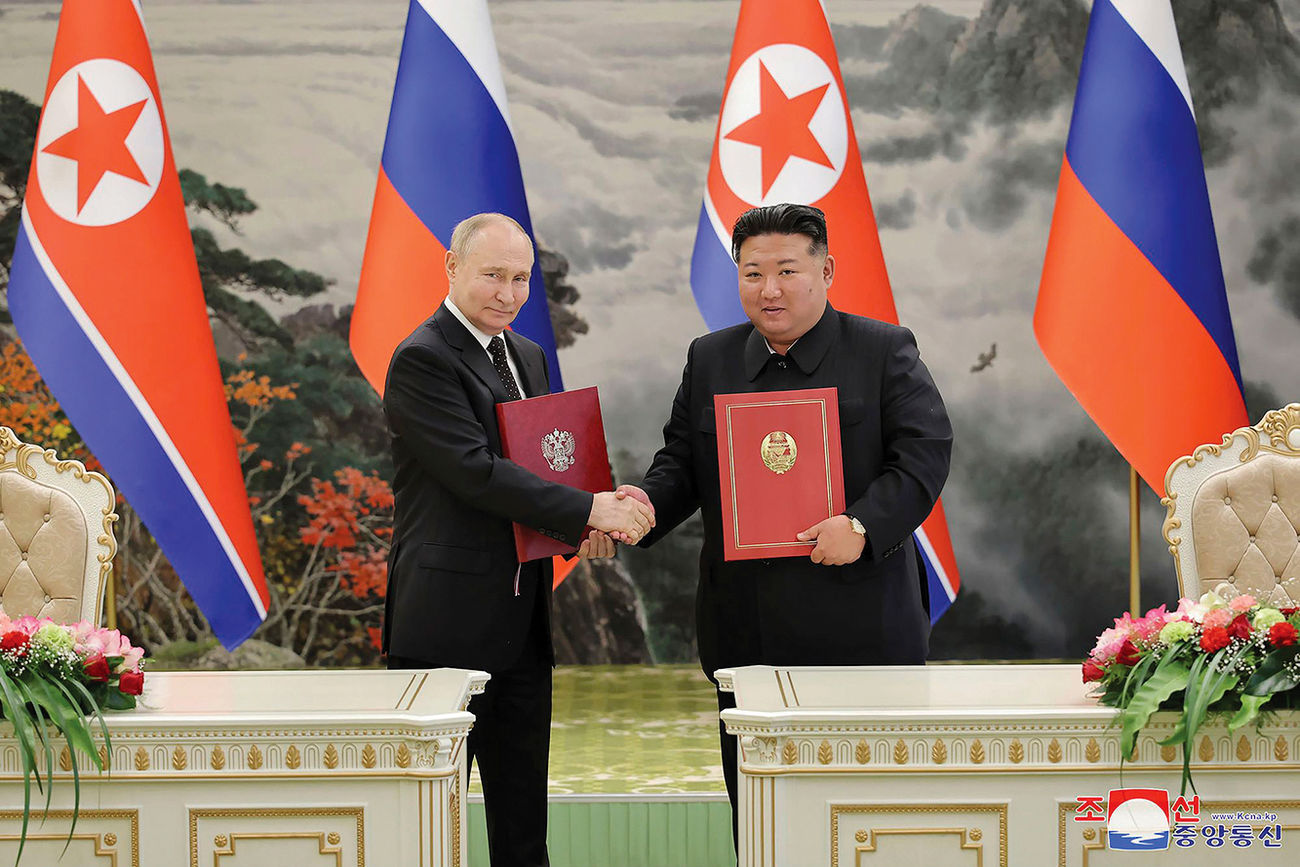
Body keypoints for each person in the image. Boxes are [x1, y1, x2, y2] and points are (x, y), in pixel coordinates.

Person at [617, 202, 952, 844]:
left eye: (787, 271)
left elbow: (924, 455)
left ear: (827, 271)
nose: (769, 289)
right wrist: (642, 508)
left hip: (863, 629)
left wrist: (861, 526)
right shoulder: (710, 357)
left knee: (869, 817)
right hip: (748, 630)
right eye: (752, 274)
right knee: (762, 816)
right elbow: (682, 462)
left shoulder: (883, 349)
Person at [382, 212, 653, 867]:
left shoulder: (527, 355)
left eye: (521, 279)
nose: (508, 294)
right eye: (493, 275)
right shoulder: (422, 358)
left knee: (523, 825)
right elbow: (477, 473)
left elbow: (544, 468)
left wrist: (582, 529)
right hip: (445, 627)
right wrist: (590, 508)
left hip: (523, 627)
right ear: (452, 268)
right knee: (424, 825)